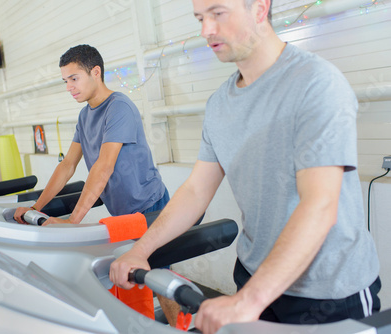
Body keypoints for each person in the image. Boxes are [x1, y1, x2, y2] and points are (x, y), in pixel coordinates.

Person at [109, 0, 381, 333]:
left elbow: (320, 204)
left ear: (260, 8)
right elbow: (196, 191)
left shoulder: (316, 83)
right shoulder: (219, 104)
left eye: (218, 13)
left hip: (328, 292)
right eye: (200, 18)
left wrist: (248, 301)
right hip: (256, 277)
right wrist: (141, 250)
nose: (206, 30)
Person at [13, 44, 180, 326]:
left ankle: (179, 327)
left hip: (149, 206)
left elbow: (103, 167)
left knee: (158, 275)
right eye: (65, 80)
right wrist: (35, 207)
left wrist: (73, 221)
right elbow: (67, 165)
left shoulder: (120, 108)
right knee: (131, 273)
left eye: (74, 78)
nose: (69, 87)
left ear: (96, 72)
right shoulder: (85, 115)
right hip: (123, 213)